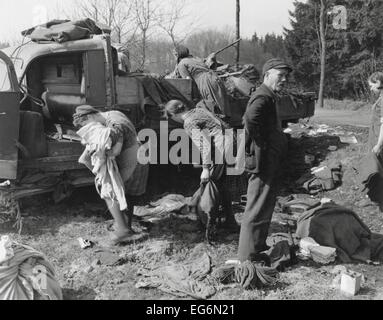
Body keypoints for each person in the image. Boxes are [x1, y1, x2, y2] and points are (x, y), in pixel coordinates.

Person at [237, 58, 292, 262]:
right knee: (256, 208)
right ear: (267, 74)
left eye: (286, 76)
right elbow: (250, 120)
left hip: (270, 161)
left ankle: (257, 248)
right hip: (263, 162)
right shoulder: (262, 96)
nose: (284, 79)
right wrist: (262, 144)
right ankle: (246, 258)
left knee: (265, 205)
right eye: (280, 75)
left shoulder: (269, 95)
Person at [73, 105, 148, 245]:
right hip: (138, 155)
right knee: (126, 193)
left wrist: (98, 154)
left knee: (110, 191)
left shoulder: (115, 125)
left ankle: (123, 231)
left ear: (90, 116)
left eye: (87, 125)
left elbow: (114, 152)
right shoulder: (113, 113)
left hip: (132, 159)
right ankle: (125, 226)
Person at [165, 99, 237, 230]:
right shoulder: (198, 111)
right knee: (220, 183)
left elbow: (205, 145)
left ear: (173, 115)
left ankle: (205, 220)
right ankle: (229, 221)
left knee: (208, 184)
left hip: (221, 147)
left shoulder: (188, 122)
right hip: (231, 142)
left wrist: (205, 169)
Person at [171, 45, 231, 119]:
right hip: (215, 78)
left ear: (177, 55)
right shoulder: (196, 59)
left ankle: (217, 125)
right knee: (221, 105)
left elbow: (188, 81)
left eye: (174, 55)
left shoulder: (182, 64)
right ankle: (226, 125)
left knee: (212, 107)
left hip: (205, 82)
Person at [368, 72, 383, 156]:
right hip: (375, 138)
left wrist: (379, 145)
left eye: (371, 86)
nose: (370, 89)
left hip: (379, 141)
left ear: (378, 82)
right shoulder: (380, 97)